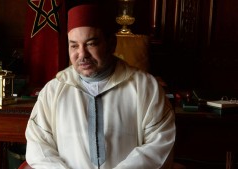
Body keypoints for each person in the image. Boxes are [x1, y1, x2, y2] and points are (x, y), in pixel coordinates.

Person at [25, 3, 175, 169]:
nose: (82, 54)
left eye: (91, 44)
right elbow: (38, 148)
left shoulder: (146, 87)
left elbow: (159, 146)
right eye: (74, 45)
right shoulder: (53, 91)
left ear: (111, 44)